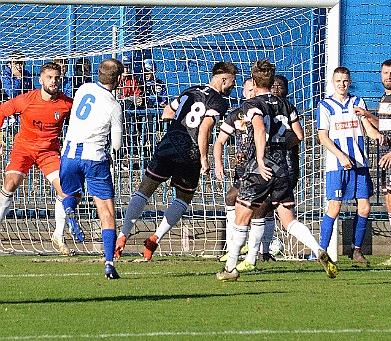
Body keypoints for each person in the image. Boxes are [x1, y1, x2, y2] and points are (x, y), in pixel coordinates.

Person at [216, 58, 338, 281]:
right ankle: (318, 249)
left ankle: (230, 269)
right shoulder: (286, 104)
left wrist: (262, 159)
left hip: (258, 168)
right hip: (283, 167)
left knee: (241, 218)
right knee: (288, 219)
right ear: (272, 82)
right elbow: (300, 136)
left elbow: (260, 130)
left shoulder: (252, 105)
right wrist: (280, 145)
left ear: (254, 81)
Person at [114, 61, 238, 260]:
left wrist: (175, 126)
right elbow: (205, 128)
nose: (233, 86)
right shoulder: (219, 101)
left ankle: (122, 236)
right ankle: (154, 239)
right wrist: (204, 158)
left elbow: (167, 112)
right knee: (183, 199)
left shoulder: (189, 91)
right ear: (223, 79)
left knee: (144, 190)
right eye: (232, 81)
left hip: (168, 146)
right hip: (190, 153)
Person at [59, 58, 124, 279]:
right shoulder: (114, 105)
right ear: (119, 78)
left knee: (72, 194)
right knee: (106, 211)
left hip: (68, 154)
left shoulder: (83, 89)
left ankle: (69, 209)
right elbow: (116, 144)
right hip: (94, 157)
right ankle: (108, 262)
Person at [0, 62, 73, 255]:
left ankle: (58, 235)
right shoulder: (25, 100)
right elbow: (2, 111)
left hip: (48, 153)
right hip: (23, 148)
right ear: (40, 79)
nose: (53, 81)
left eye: (56, 77)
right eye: (49, 77)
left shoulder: (66, 103)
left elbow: (81, 122)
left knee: (64, 189)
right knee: (10, 184)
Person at [317, 67, 384, 266]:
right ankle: (321, 251)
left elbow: (368, 129)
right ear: (332, 81)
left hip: (360, 163)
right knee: (334, 207)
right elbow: (322, 136)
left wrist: (377, 135)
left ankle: (356, 250)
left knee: (365, 207)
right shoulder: (325, 105)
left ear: (349, 81)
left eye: (345, 81)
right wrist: (340, 155)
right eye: (338, 81)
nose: (342, 84)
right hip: (337, 166)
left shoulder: (358, 102)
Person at [237, 74, 305, 270]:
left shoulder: (274, 107)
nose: (276, 90)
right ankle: (260, 251)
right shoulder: (270, 108)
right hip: (275, 166)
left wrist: (277, 146)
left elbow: (297, 136)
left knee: (260, 208)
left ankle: (256, 252)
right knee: (268, 210)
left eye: (280, 87)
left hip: (277, 166)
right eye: (274, 86)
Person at [214, 78, 276, 264]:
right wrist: (218, 162)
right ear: (243, 92)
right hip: (244, 168)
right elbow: (219, 141)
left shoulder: (265, 112)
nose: (251, 94)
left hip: (264, 164)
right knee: (233, 198)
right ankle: (236, 248)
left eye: (253, 90)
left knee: (263, 206)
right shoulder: (236, 115)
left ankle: (262, 251)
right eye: (248, 90)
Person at [355, 59, 391, 266]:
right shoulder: (385, 98)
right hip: (386, 158)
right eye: (385, 73)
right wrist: (367, 115)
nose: (389, 76)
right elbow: (384, 125)